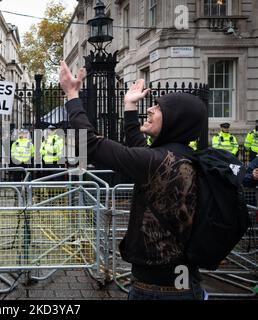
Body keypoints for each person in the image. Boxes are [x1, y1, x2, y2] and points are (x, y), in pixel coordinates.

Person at [60, 60, 206, 300]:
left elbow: (91, 145)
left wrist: (73, 96)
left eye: (159, 108)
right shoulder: (180, 156)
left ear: (176, 120)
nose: (150, 109)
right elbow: (139, 147)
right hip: (184, 281)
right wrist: (128, 105)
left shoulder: (157, 162)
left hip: (159, 291)